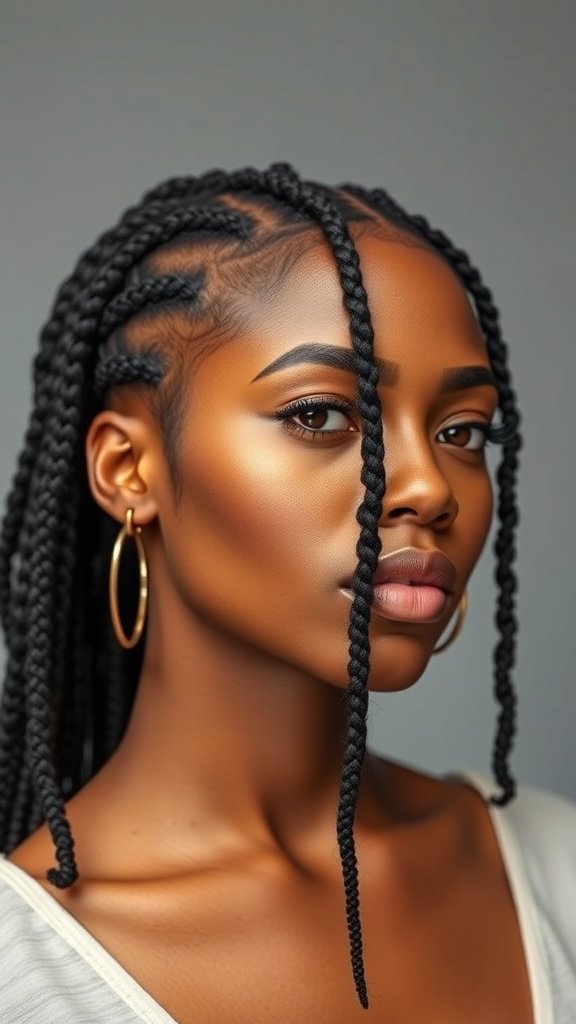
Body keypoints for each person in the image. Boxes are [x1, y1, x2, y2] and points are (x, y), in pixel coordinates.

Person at [0, 162, 574, 1023]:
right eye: (321, 415)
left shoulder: (556, 866)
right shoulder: (25, 971)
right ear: (129, 469)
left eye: (463, 430)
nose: (427, 486)